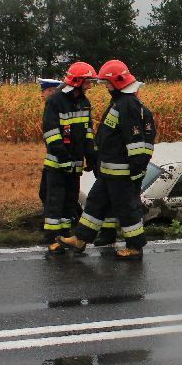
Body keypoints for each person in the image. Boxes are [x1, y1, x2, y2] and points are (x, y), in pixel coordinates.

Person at [60, 60, 155, 260]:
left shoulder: (127, 104)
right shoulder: (120, 103)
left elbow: (135, 141)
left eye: (108, 84)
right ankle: (80, 239)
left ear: (119, 82)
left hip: (121, 173)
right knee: (94, 203)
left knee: (126, 209)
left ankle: (135, 247)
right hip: (108, 172)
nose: (106, 87)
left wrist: (136, 170)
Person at [41, 62, 97, 254]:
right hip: (56, 164)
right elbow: (51, 133)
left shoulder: (84, 102)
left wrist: (91, 156)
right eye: (87, 81)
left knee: (70, 202)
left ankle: (64, 235)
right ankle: (51, 239)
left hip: (75, 165)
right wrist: (63, 158)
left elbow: (88, 132)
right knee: (54, 202)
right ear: (77, 81)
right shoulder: (55, 101)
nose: (89, 85)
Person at [36, 78, 62, 213]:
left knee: (49, 193)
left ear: (52, 91)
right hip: (53, 157)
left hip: (57, 159)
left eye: (43, 91)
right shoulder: (53, 105)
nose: (42, 94)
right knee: (45, 192)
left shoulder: (55, 107)